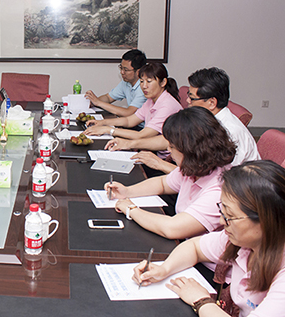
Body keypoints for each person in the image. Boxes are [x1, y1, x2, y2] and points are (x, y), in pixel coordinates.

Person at [134, 160, 285, 317]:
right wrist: (164, 269)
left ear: (266, 220)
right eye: (222, 212)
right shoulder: (244, 243)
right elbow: (195, 247)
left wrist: (201, 300)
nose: (221, 222)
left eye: (230, 216)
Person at [105, 107, 236, 240]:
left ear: (190, 150)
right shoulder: (195, 167)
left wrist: (131, 209)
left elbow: (172, 228)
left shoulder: (219, 190)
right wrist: (127, 191)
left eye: (172, 146)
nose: (168, 149)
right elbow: (162, 184)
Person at [106, 67, 260, 174]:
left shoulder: (229, 132)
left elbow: (214, 181)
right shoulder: (205, 120)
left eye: (192, 98)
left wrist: (160, 164)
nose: (187, 101)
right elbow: (167, 141)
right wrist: (129, 144)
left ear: (212, 102)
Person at [84, 63, 182, 154]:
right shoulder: (151, 100)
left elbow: (142, 135)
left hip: (166, 157)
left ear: (163, 82)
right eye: (142, 81)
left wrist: (108, 130)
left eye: (149, 81)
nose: (144, 86)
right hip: (151, 150)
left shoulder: (167, 105)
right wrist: (103, 122)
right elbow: (129, 121)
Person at [85, 49, 147, 118]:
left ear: (138, 72)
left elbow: (129, 113)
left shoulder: (144, 87)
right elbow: (108, 98)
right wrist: (92, 102)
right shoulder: (126, 82)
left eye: (126, 70)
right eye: (121, 68)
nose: (122, 72)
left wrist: (98, 102)